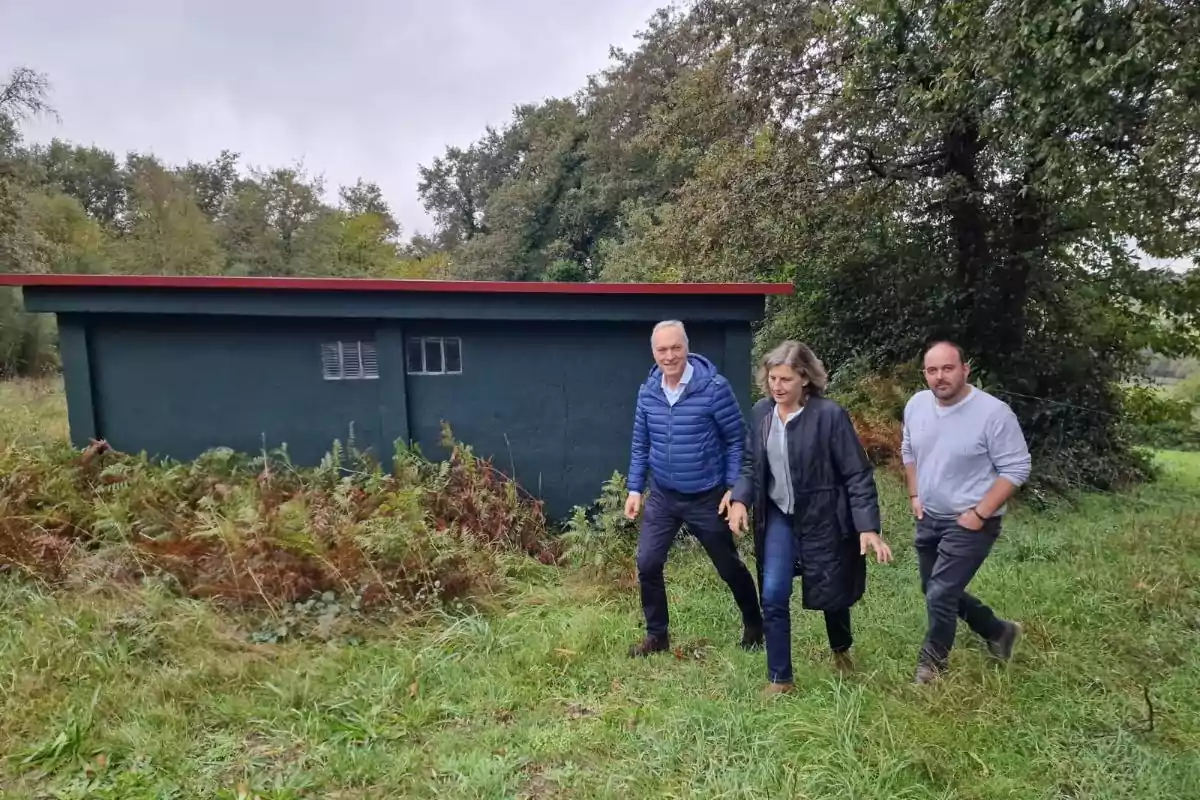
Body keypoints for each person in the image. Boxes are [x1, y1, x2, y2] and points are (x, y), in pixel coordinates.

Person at [727, 341, 892, 694]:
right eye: (772, 378)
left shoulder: (829, 416)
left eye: (785, 378)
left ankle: (841, 650)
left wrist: (867, 526)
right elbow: (750, 465)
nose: (777, 386)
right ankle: (780, 678)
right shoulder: (761, 414)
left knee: (832, 592)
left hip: (824, 517)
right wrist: (740, 499)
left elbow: (856, 474)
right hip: (778, 518)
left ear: (805, 378)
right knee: (772, 594)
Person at [624, 319, 764, 658]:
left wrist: (733, 488)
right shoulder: (648, 392)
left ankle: (755, 623)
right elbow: (641, 444)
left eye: (676, 347)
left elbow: (736, 440)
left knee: (727, 565)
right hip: (663, 496)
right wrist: (634, 488)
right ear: (653, 352)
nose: (669, 355)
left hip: (707, 497)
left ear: (686, 347)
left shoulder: (714, 388)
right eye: (662, 349)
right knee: (647, 563)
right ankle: (657, 635)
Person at [901, 340, 1031, 684]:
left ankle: (931, 667)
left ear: (965, 369)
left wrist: (980, 513)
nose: (940, 377)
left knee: (941, 592)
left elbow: (1016, 467)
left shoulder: (993, 413)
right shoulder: (917, 405)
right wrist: (915, 493)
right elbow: (909, 450)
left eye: (948, 368)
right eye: (932, 370)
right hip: (929, 517)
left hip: (972, 521)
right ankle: (998, 631)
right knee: (932, 588)